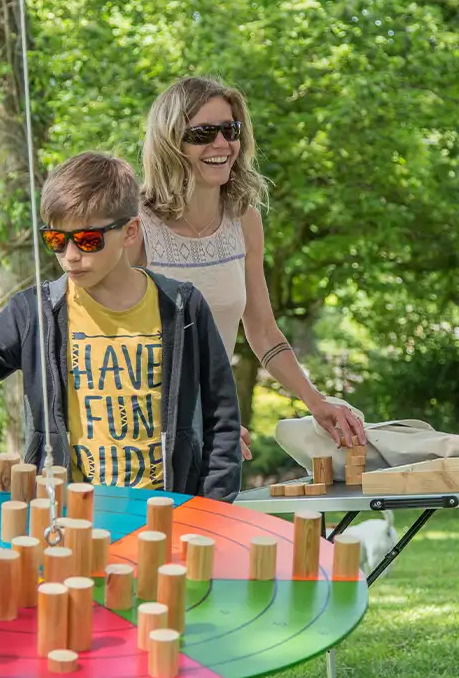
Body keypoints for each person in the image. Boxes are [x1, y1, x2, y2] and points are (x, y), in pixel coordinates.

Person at [0, 151, 242, 678]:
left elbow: (224, 417)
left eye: (87, 241)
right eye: (57, 241)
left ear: (130, 233)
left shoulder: (181, 306)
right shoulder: (36, 311)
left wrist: (213, 514)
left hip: (169, 528)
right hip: (74, 538)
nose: (71, 257)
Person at [134, 76, 366, 459]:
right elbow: (109, 346)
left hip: (211, 432)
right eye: (204, 133)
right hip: (140, 434)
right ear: (170, 142)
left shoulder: (244, 220)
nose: (222, 144)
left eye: (230, 130)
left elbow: (262, 332)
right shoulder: (135, 228)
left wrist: (316, 401)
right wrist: (194, 420)